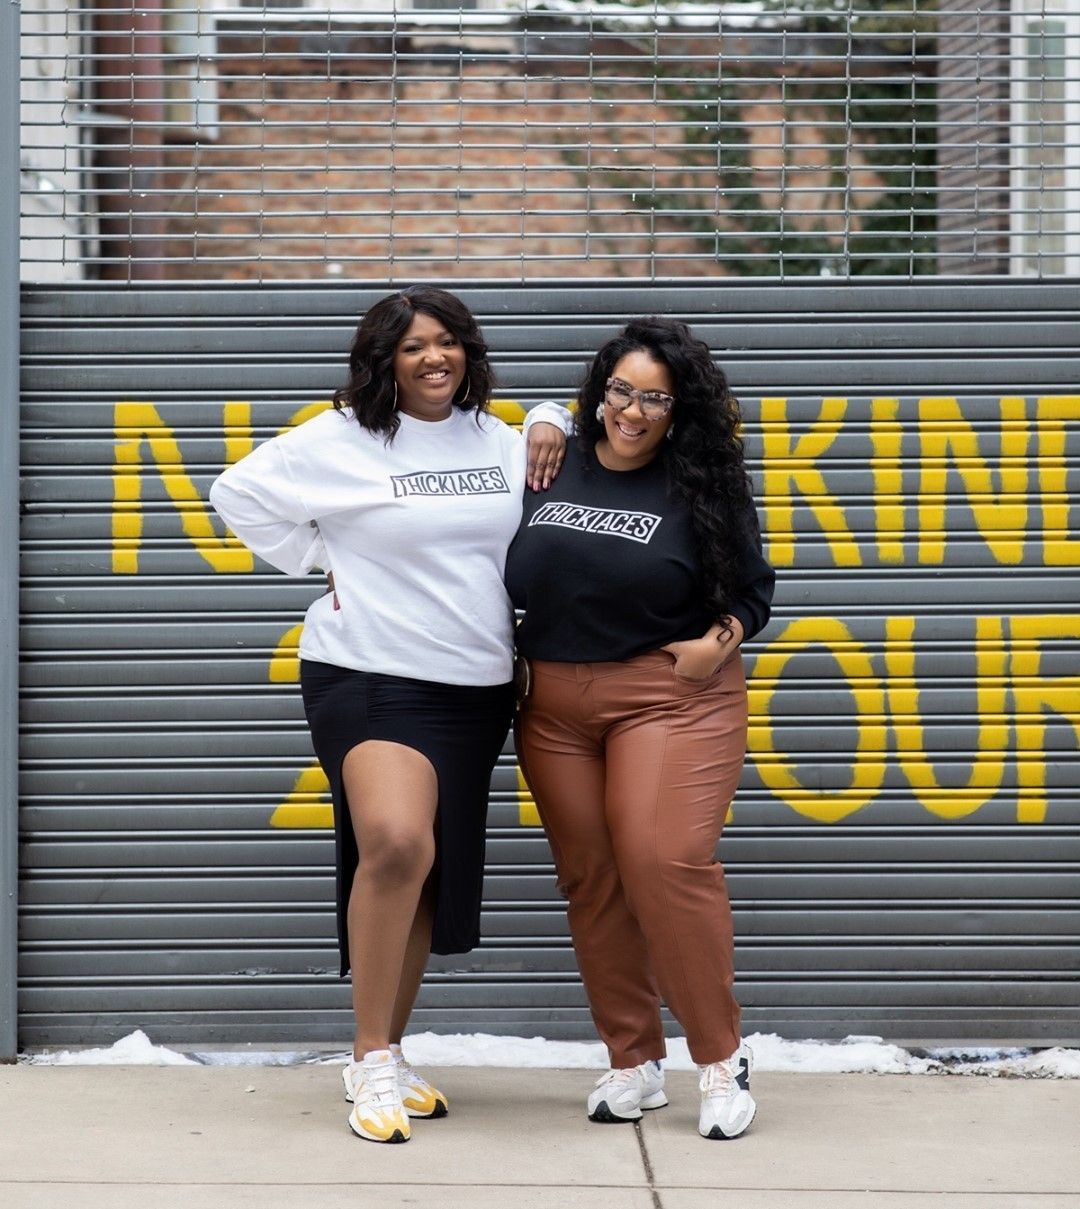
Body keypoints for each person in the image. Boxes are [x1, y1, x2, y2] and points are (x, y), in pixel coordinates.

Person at [209, 286, 568, 1144]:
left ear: (468, 351)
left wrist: (555, 410)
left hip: (474, 683)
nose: (434, 358)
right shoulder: (342, 437)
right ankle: (368, 1057)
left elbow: (602, 434)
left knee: (425, 871)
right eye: (413, 347)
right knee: (398, 840)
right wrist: (317, 554)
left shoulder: (499, 438)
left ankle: (392, 1050)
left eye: (447, 341)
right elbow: (235, 491)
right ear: (384, 361)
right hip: (366, 670)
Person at [505, 316, 774, 1141]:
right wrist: (542, 415)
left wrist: (713, 646)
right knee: (592, 876)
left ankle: (721, 1059)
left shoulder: (702, 481)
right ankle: (634, 1059)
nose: (633, 409)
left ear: (678, 406)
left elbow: (753, 592)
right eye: (621, 389)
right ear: (598, 390)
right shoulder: (548, 458)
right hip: (551, 704)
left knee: (663, 857)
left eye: (654, 397)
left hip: (669, 695)